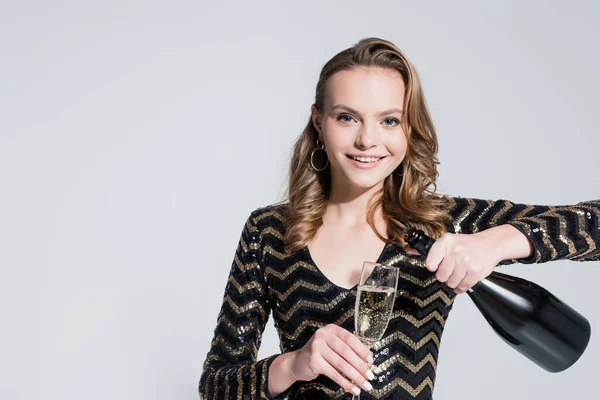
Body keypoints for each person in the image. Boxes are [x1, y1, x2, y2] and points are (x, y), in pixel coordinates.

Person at [198, 37, 600, 400]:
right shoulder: (268, 231)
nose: (367, 140)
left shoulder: (441, 224)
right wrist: (294, 364)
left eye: (389, 120)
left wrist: (496, 243)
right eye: (347, 117)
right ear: (319, 122)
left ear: (409, 129)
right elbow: (215, 386)